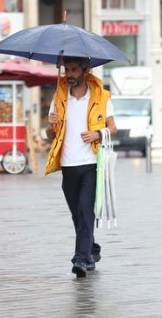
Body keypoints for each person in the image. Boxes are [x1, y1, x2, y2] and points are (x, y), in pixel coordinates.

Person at [45, 56, 117, 278]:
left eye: (74, 70)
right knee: (77, 214)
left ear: (86, 70)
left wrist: (98, 133)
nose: (69, 74)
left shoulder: (102, 97)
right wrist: (51, 124)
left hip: (90, 163)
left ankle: (81, 259)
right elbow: (51, 135)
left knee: (86, 211)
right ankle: (91, 248)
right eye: (67, 69)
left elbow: (113, 128)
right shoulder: (59, 97)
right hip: (68, 165)